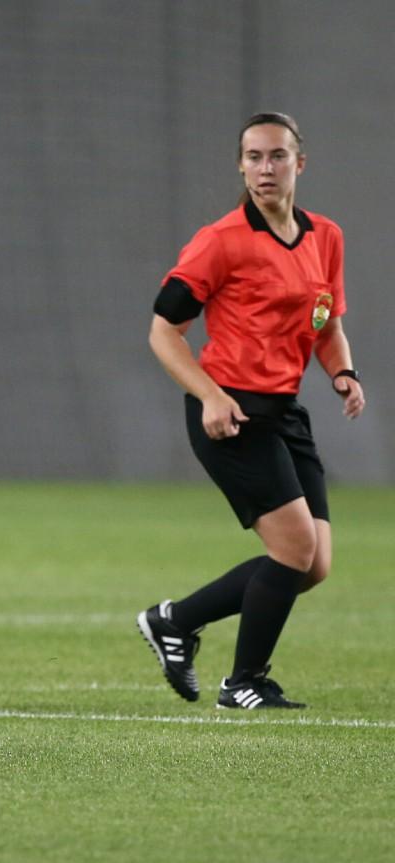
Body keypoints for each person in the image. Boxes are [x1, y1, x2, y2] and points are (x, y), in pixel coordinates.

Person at [137, 113, 365, 710]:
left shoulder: (325, 237)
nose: (266, 168)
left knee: (313, 565)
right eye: (254, 156)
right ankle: (244, 681)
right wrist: (211, 395)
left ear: (299, 163)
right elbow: (164, 331)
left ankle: (175, 620)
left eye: (278, 155)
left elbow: (326, 323)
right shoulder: (221, 241)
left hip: (285, 413)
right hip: (231, 413)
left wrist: (342, 372)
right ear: (241, 166)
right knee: (294, 551)